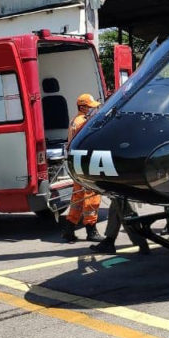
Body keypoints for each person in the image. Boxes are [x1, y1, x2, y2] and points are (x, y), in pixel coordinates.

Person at [60, 93, 105, 243]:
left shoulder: (75, 120)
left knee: (78, 198)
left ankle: (68, 229)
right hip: (86, 163)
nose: (93, 110)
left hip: (77, 163)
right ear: (83, 107)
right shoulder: (83, 123)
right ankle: (91, 230)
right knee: (91, 196)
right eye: (90, 107)